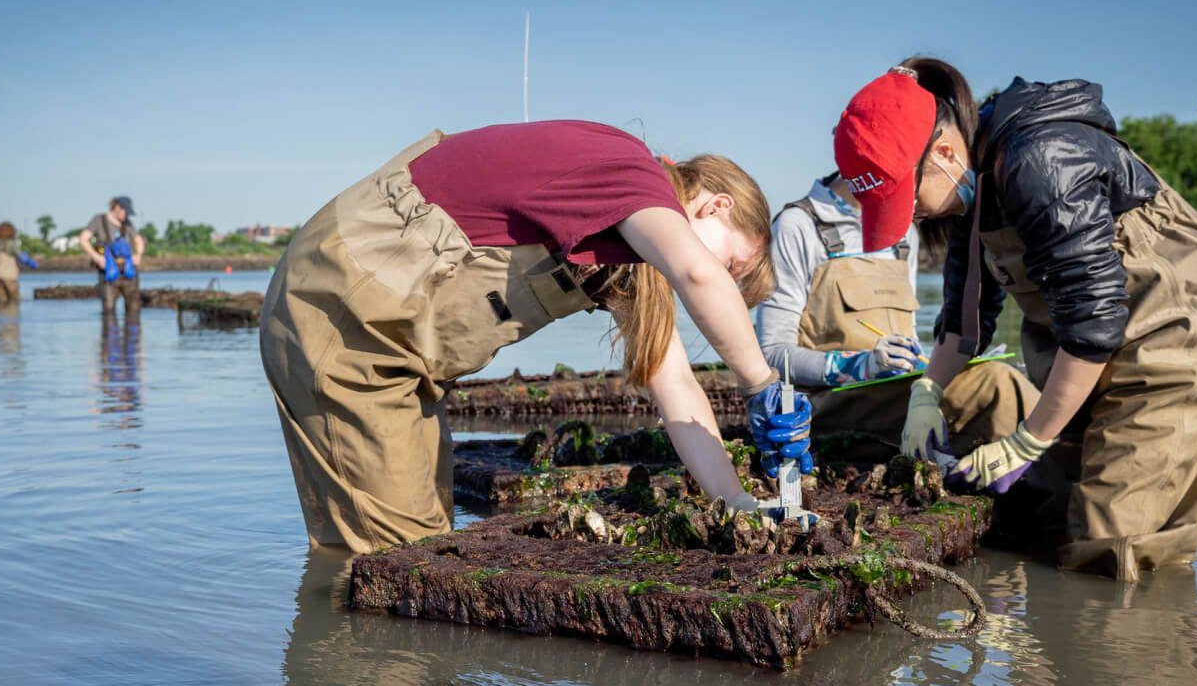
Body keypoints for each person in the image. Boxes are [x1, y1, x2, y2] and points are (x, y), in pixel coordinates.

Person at [259, 121, 811, 554]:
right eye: (734, 265)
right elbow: (697, 272)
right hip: (347, 321)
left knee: (398, 532)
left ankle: (341, 667)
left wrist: (735, 500)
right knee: (403, 552)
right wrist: (761, 384)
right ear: (715, 205)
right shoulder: (629, 172)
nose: (723, 283)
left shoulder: (628, 255)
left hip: (394, 354)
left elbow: (677, 387)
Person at [834, 59, 1197, 580]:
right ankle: (1185, 510)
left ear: (943, 153)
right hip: (1087, 346)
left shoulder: (1041, 161)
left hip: (1174, 338)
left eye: (909, 200)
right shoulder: (971, 187)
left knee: (1105, 544)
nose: (914, 216)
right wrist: (927, 394)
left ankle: (1174, 538)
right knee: (1042, 514)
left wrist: (1028, 440)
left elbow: (1093, 325)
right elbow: (965, 322)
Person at [755, 171, 1035, 457]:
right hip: (827, 406)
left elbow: (909, 336)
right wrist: (861, 365)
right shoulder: (797, 225)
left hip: (896, 397)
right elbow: (773, 354)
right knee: (996, 382)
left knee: (1005, 374)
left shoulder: (904, 231)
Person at [79, 196, 144, 318]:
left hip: (128, 271)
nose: (127, 216)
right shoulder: (98, 220)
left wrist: (138, 255)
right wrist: (97, 257)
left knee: (134, 309)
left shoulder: (128, 223)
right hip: (107, 272)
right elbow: (83, 239)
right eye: (126, 212)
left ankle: (133, 336)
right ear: (117, 208)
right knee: (108, 310)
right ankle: (109, 336)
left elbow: (139, 241)